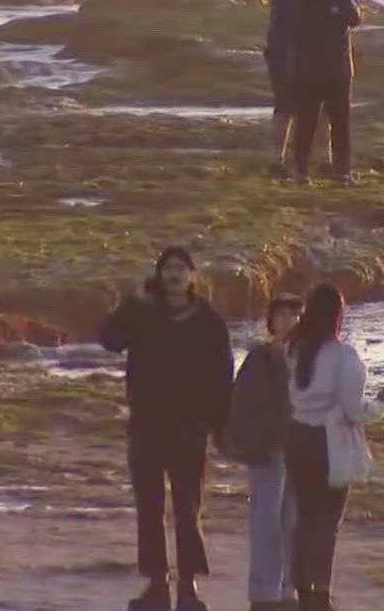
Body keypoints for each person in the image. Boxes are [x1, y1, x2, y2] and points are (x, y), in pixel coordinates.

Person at [98, 246, 236, 611]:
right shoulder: (143, 314)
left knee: (188, 507)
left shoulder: (209, 321)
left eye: (181, 268)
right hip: (146, 424)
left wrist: (220, 425)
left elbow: (223, 376)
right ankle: (157, 584)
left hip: (191, 428)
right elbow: (109, 340)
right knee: (149, 506)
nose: (173, 274)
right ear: (159, 275)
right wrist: (131, 304)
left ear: (193, 276)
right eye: (168, 268)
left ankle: (188, 585)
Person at [283, 283, 384, 611]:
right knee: (327, 521)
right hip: (327, 443)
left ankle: (302, 586)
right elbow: (354, 411)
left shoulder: (294, 349)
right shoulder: (344, 356)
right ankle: (320, 592)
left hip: (297, 437)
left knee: (305, 517)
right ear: (338, 315)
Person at [226, 293, 305, 611]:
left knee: (292, 519)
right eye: (282, 315)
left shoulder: (307, 356)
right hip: (266, 447)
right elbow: (242, 401)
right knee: (265, 518)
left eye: (295, 315)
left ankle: (287, 587)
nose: (288, 321)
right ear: (271, 321)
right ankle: (263, 590)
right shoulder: (259, 357)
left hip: (299, 446)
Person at [286, 0, 362, 185]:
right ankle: (342, 173)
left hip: (307, 70)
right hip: (338, 70)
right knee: (340, 123)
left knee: (306, 121)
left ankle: (301, 172)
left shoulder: (299, 3)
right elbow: (356, 18)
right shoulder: (340, 0)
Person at [266, 0, 327, 170]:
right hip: (294, 46)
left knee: (286, 104)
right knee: (309, 104)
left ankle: (278, 159)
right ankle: (320, 158)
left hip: (281, 41)